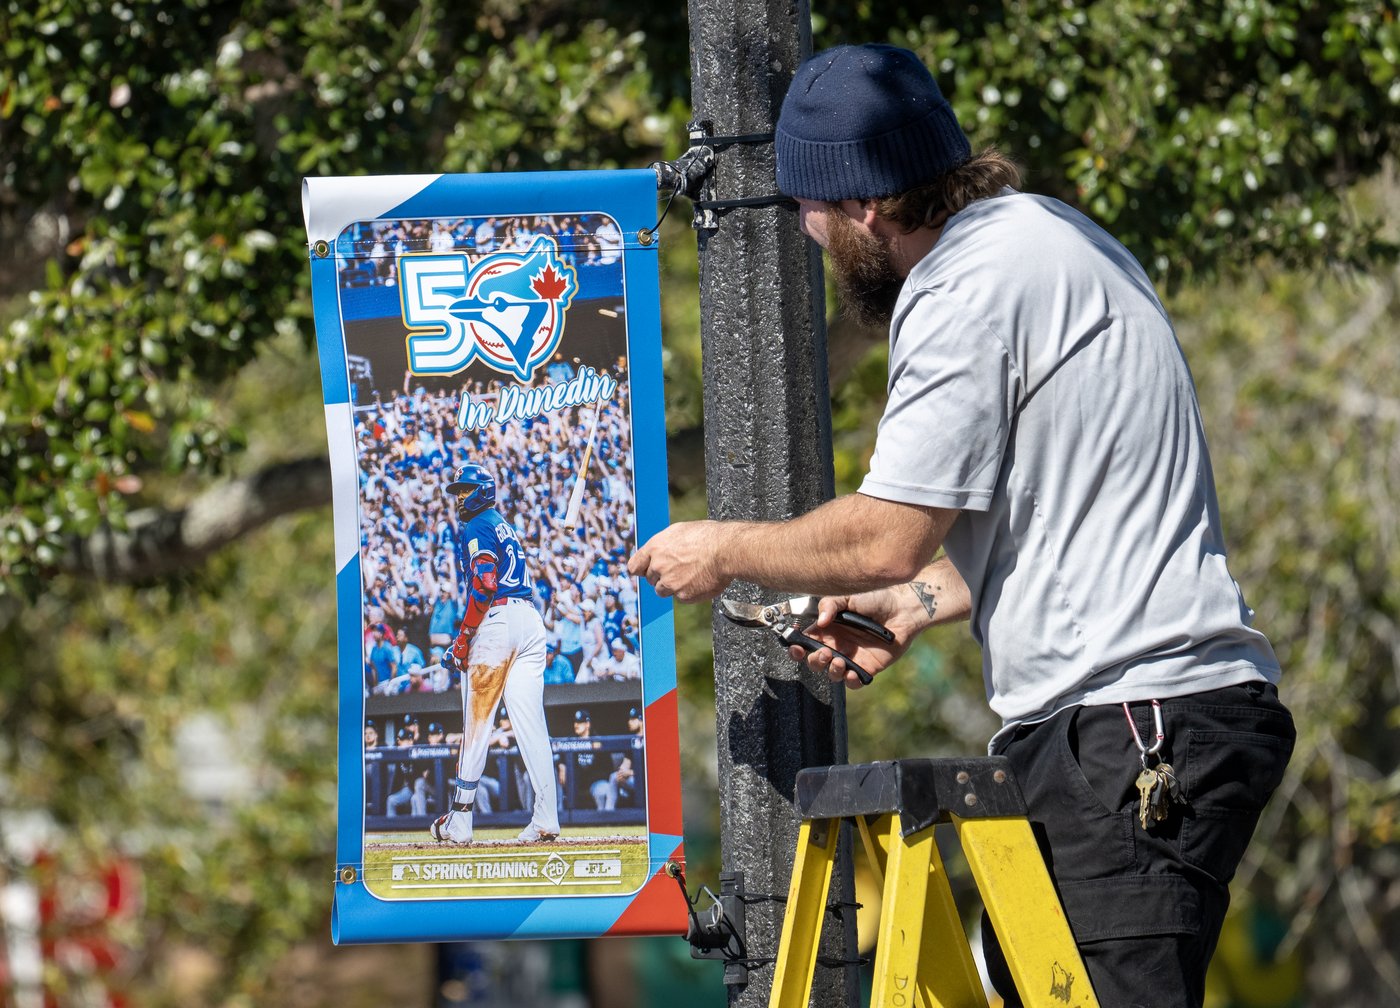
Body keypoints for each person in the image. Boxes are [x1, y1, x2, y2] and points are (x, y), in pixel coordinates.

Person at [628, 43, 1295, 1008]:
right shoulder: (1050, 239)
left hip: (1131, 729)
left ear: (860, 205)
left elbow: (885, 531)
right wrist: (916, 600)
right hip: (1143, 719)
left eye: (806, 208)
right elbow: (1065, 515)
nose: (808, 233)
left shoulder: (964, 286)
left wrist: (723, 547)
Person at [429, 463, 560, 845]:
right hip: (530, 621)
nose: (460, 497)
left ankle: (460, 821)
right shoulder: (501, 522)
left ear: (482, 490)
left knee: (477, 727)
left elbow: (485, 584)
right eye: (457, 491)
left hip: (498, 620)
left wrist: (464, 636)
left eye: (466, 489)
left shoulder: (476, 525)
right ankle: (546, 817)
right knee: (532, 725)